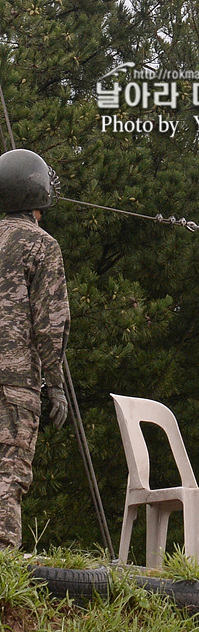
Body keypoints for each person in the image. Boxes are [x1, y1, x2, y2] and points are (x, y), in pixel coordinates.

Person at [0, 149, 69, 549]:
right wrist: (55, 382)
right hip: (15, 382)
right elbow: (51, 323)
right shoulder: (41, 245)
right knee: (8, 473)